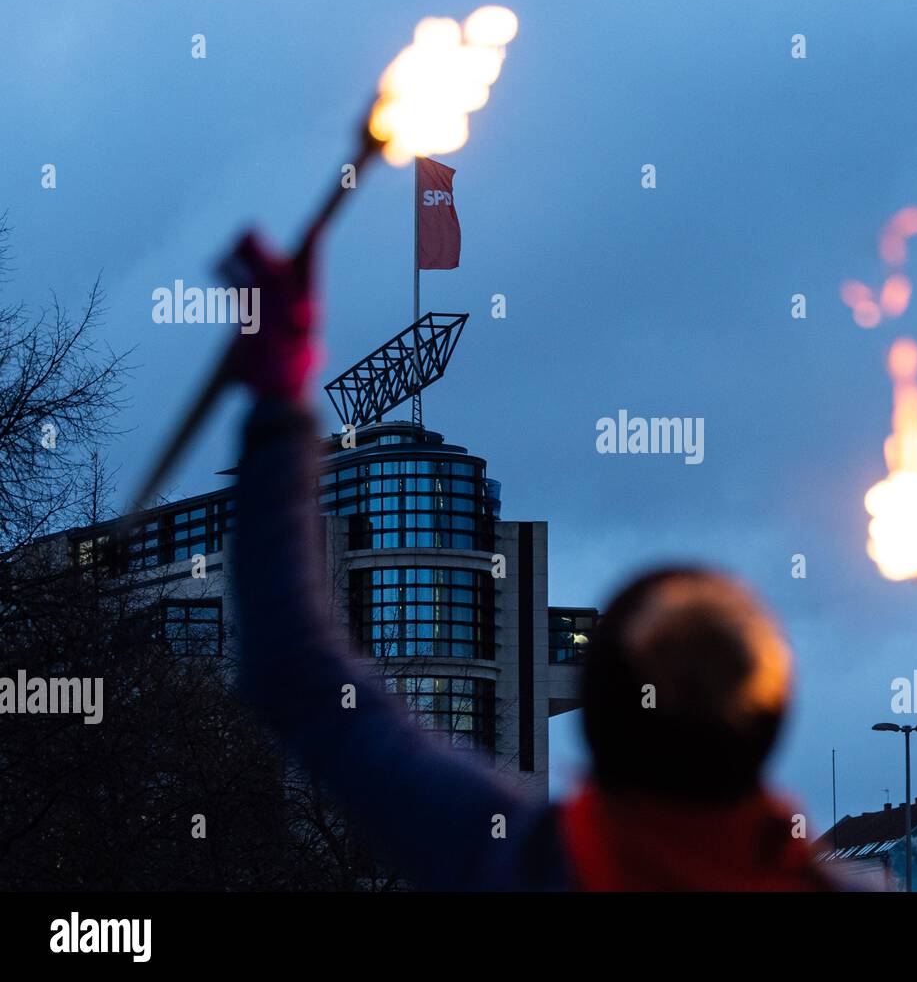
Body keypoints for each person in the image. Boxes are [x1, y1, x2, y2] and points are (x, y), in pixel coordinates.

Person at [224, 232, 835, 891]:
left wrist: (280, 401)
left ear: (600, 719)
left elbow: (296, 673)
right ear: (769, 730)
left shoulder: (522, 866)